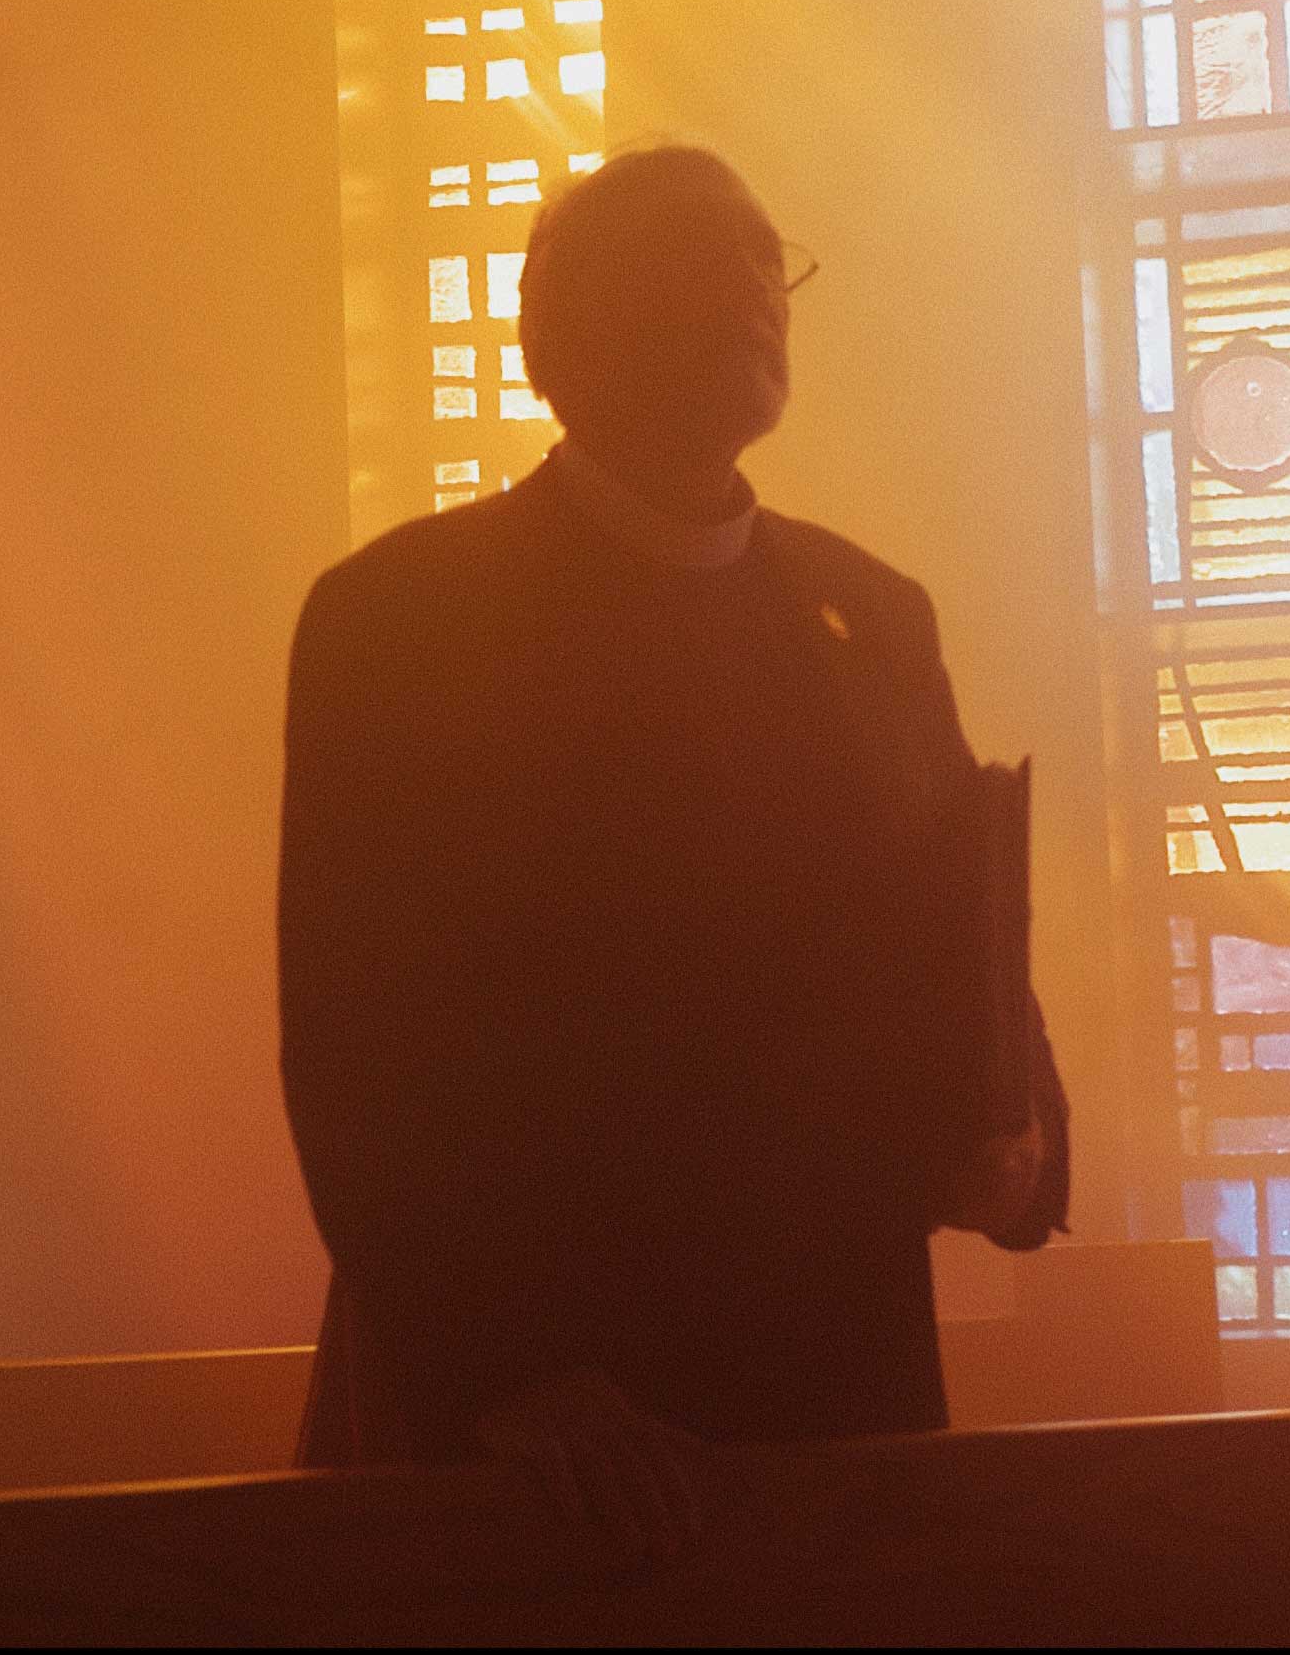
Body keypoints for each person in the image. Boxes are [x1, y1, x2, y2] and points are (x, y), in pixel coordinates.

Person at [275, 145, 1067, 1558]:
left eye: (769, 264)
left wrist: (1011, 1141)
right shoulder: (398, 619)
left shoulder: (870, 614)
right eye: (704, 262)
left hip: (831, 1374)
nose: (756, 298)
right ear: (563, 331)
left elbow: (953, 933)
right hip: (547, 1426)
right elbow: (356, 1040)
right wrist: (506, 1372)